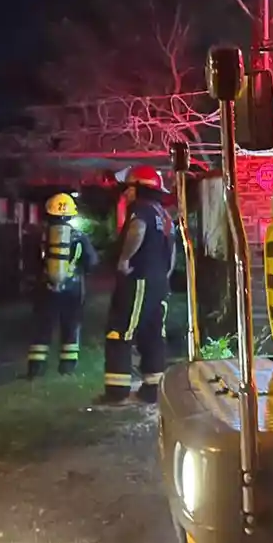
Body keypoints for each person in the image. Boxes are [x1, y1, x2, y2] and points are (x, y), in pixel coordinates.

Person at [98, 165, 176, 406]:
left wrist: (124, 259)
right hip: (159, 282)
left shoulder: (140, 210)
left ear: (139, 188)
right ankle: (152, 390)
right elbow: (172, 251)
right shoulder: (163, 214)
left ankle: (116, 392)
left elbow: (137, 229)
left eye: (128, 188)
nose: (125, 193)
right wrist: (165, 274)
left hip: (138, 280)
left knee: (120, 331)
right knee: (152, 334)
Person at [27, 192, 99, 378]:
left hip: (45, 287)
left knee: (43, 326)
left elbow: (31, 262)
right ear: (71, 214)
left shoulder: (40, 236)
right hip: (73, 289)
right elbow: (92, 262)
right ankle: (67, 368)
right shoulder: (79, 236)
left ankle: (36, 369)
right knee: (71, 325)